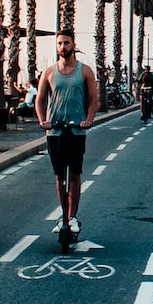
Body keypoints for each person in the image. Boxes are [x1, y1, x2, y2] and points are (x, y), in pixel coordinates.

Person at [35, 29, 99, 236]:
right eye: (60, 43)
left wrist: (88, 120)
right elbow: (40, 100)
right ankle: (63, 216)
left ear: (74, 45)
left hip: (76, 131)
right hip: (54, 131)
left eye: (67, 43)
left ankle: (72, 217)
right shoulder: (49, 72)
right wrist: (42, 120)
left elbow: (94, 99)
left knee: (75, 175)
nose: (63, 47)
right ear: (57, 46)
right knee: (59, 175)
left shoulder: (85, 71)